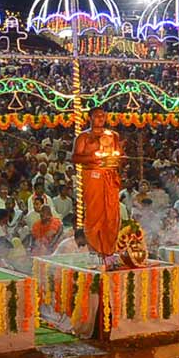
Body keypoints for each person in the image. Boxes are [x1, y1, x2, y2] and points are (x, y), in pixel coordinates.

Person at [71, 107, 122, 265]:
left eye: (103, 116)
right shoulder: (84, 137)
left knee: (112, 214)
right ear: (90, 118)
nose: (100, 118)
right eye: (97, 116)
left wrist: (113, 160)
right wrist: (92, 158)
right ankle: (95, 249)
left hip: (109, 176)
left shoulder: (113, 135)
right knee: (94, 213)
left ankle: (109, 251)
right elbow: (75, 157)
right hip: (93, 176)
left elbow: (119, 154)